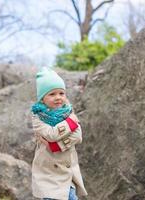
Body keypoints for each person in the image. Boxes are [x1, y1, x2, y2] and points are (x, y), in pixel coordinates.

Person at [31, 67, 87, 200]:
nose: (58, 98)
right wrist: (70, 123)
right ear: (42, 99)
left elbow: (78, 136)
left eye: (61, 93)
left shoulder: (67, 112)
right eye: (52, 94)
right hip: (48, 173)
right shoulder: (38, 117)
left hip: (68, 171)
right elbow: (51, 134)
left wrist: (56, 146)